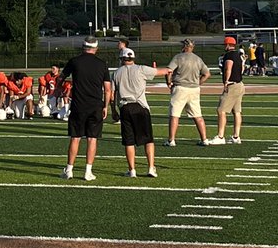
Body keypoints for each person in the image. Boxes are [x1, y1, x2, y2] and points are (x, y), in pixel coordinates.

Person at [58, 37, 112, 182]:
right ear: (96, 48)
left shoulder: (74, 61)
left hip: (78, 105)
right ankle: (88, 171)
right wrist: (105, 106)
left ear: (83, 47)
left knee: (75, 138)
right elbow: (107, 89)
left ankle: (69, 169)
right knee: (92, 139)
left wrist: (60, 89)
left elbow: (61, 78)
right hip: (95, 105)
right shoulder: (102, 64)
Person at [112, 48, 168, 177]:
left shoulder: (116, 73)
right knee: (148, 139)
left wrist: (113, 109)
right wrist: (172, 68)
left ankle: (132, 170)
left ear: (121, 59)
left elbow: (112, 94)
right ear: (133, 58)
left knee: (129, 141)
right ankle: (150, 167)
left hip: (125, 107)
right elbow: (163, 71)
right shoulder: (141, 69)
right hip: (141, 106)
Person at [164, 38, 210, 146]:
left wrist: (169, 83)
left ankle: (171, 140)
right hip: (194, 89)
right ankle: (204, 139)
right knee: (198, 115)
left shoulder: (178, 57)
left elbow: (169, 71)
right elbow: (207, 74)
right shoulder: (198, 59)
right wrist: (198, 83)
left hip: (180, 88)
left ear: (185, 46)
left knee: (174, 114)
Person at [211, 35, 245, 145]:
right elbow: (243, 68)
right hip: (240, 84)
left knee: (221, 110)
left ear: (228, 45)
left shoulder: (229, 55)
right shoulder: (238, 55)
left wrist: (226, 81)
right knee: (237, 112)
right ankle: (236, 136)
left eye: (225, 44)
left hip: (232, 85)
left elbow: (228, 67)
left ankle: (220, 136)